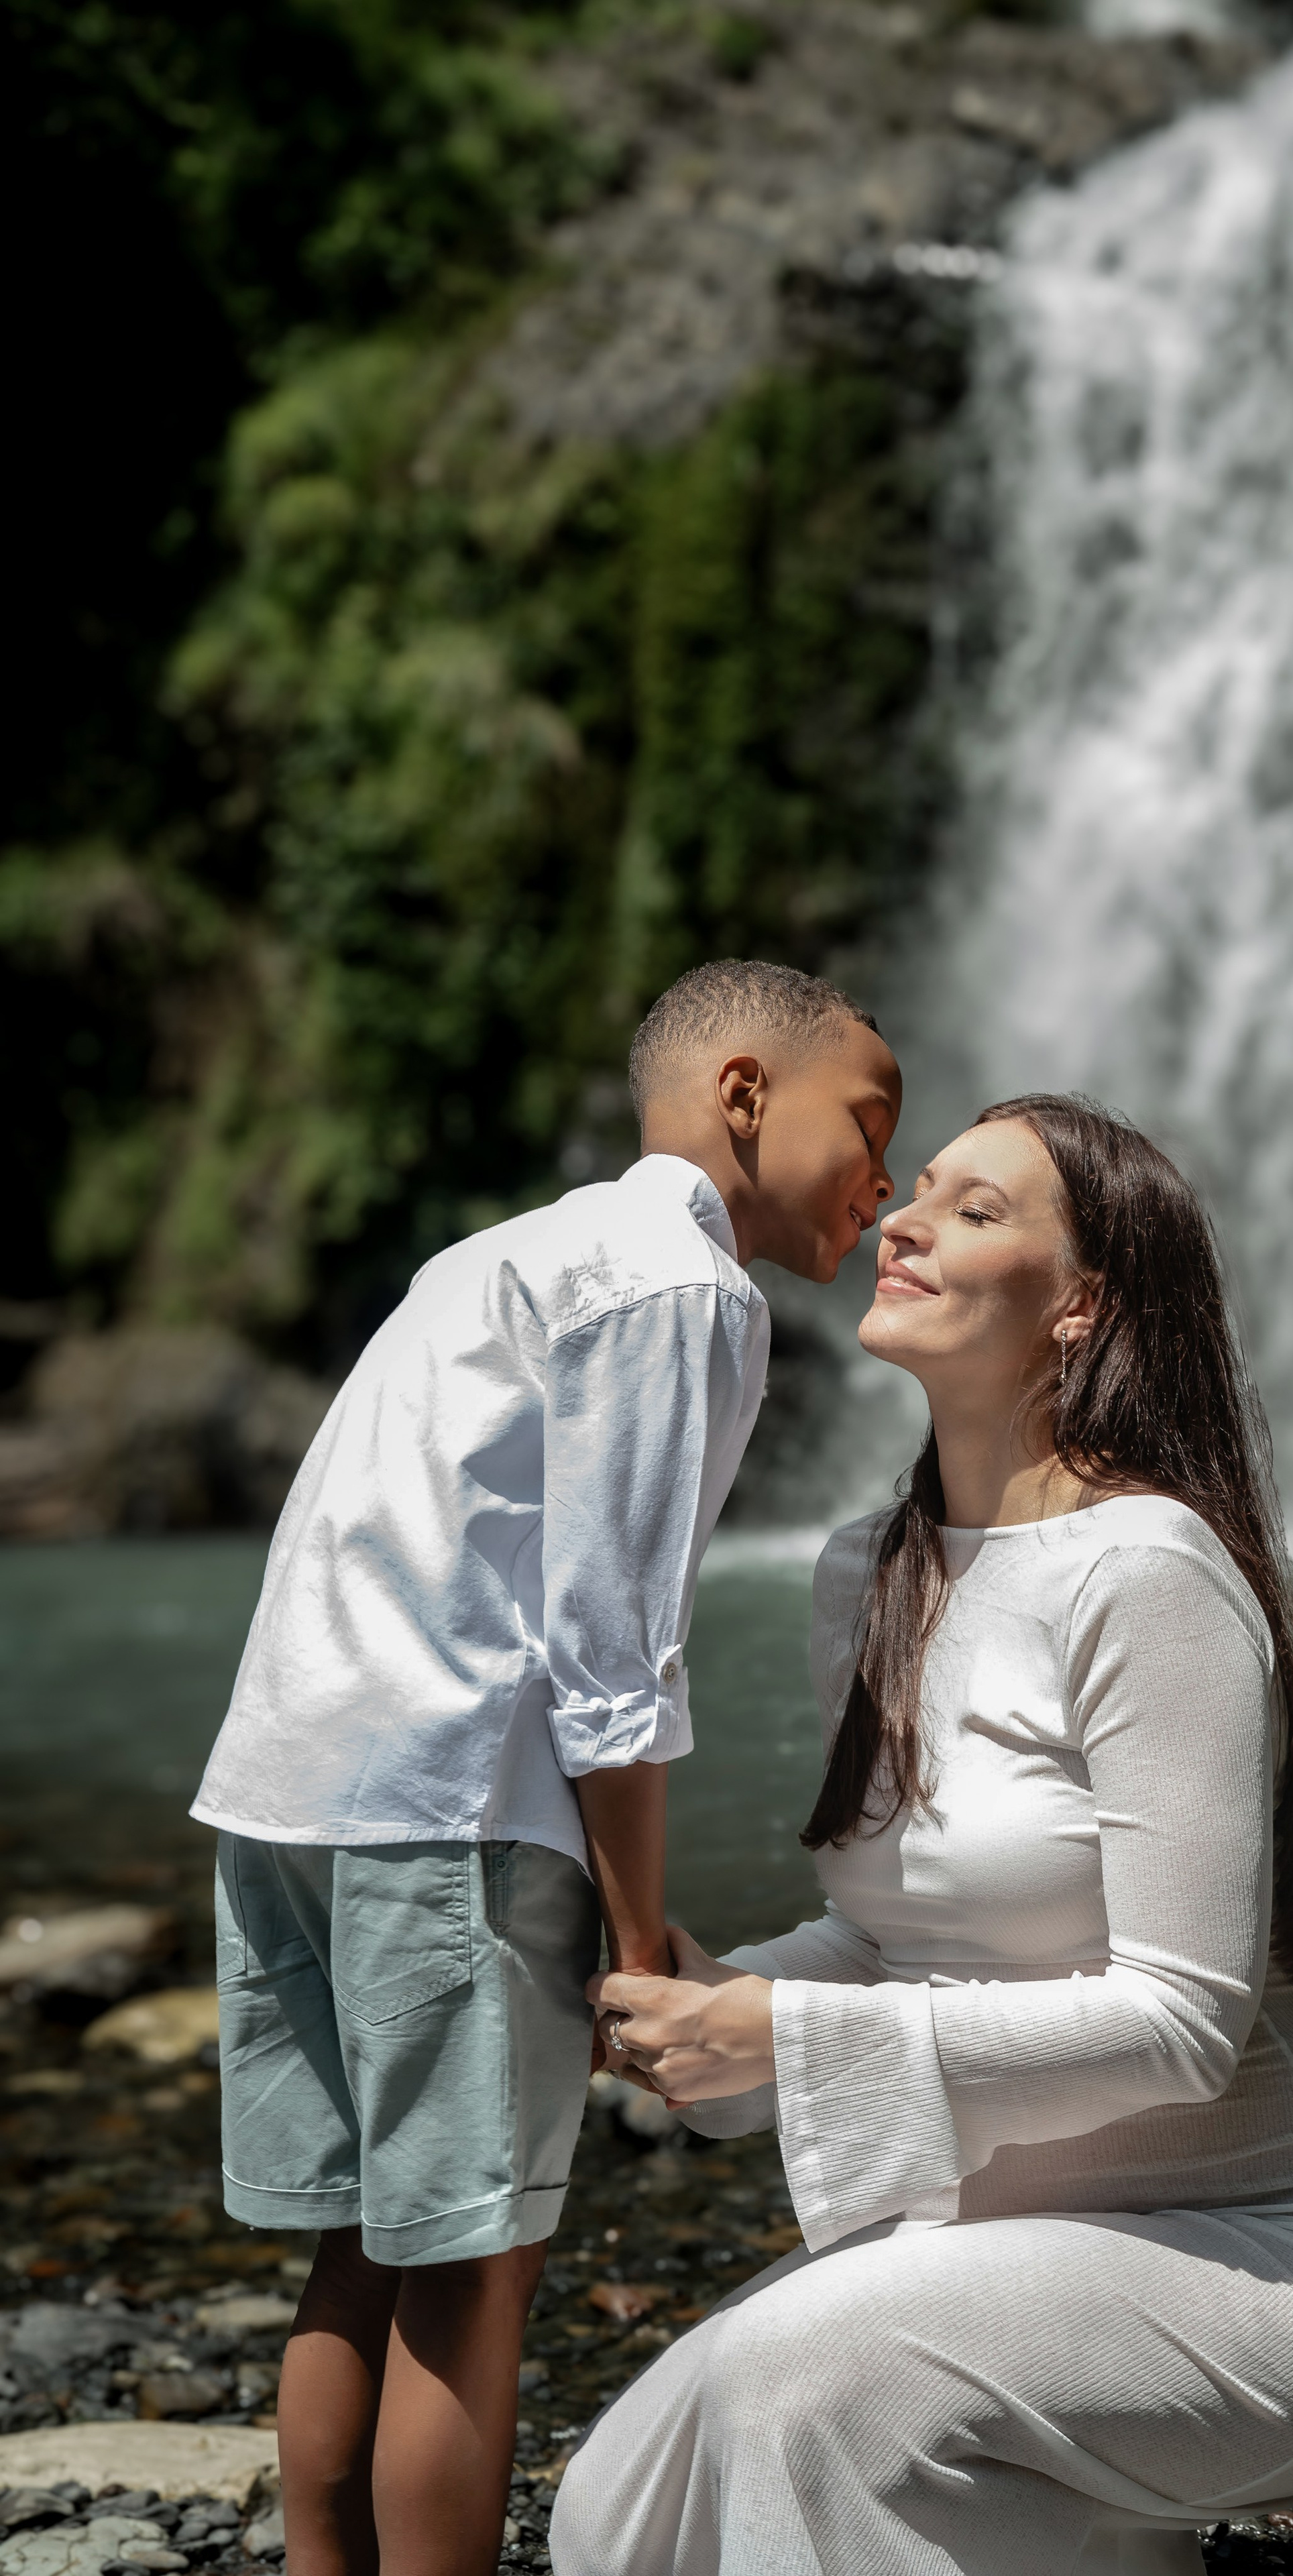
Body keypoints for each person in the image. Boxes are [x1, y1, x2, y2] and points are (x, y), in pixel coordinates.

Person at [561, 1094, 1293, 2576]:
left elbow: (1181, 2023)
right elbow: (896, 1940)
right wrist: (705, 2010)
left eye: (975, 1210)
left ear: (1081, 1304)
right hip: (1003, 2245)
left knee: (803, 2388)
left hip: (1255, 2256)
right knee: (619, 2509)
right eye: (919, 1194)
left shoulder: (1150, 1572)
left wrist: (789, 2039)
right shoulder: (867, 1572)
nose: (901, 1219)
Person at [189, 960, 901, 2576]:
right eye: (866, 1123)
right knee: (476, 2269)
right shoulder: (683, 1289)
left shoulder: (499, 1251)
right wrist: (639, 1943)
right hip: (449, 1811)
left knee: (360, 2247)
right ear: (740, 1096)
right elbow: (611, 1650)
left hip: (290, 1786)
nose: (889, 1177)